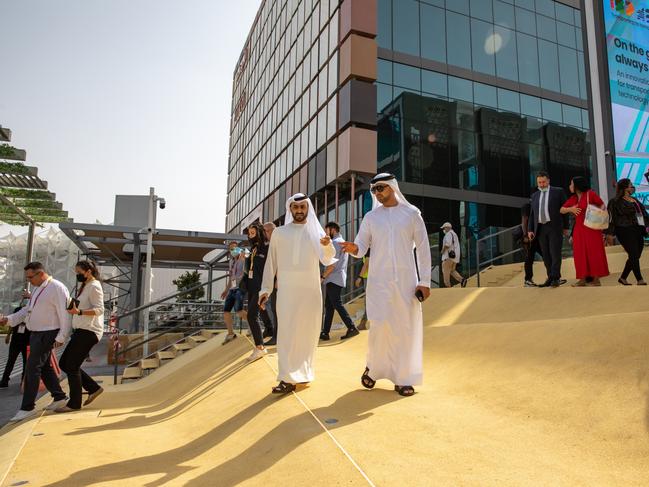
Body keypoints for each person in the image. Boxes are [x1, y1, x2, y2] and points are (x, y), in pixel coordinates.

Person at [341, 173, 432, 397]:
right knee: (379, 325)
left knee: (403, 328)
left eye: (381, 188)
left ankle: (403, 378)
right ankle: (374, 368)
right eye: (374, 190)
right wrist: (353, 248)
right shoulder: (371, 218)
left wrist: (425, 281)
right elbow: (361, 247)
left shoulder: (411, 214)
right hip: (378, 281)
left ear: (392, 187)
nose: (377, 193)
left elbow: (423, 249)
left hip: (406, 281)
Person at [258, 193, 336, 394]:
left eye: (303, 207)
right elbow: (271, 263)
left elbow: (328, 260)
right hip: (287, 291)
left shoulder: (316, 233)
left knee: (307, 333)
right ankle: (286, 377)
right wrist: (265, 289)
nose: (299, 210)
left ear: (307, 209)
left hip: (310, 290)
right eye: (296, 207)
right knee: (286, 333)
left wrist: (327, 246)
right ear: (290, 209)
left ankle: (304, 373)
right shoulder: (279, 233)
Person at [0, 262, 70, 422]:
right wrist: (8, 319)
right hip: (37, 333)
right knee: (44, 367)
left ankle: (27, 407)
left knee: (32, 368)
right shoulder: (39, 288)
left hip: (48, 332)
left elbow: (65, 313)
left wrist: (61, 336)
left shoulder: (57, 288)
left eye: (31, 277)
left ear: (40, 273)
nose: (29, 281)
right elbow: (27, 310)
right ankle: (59, 397)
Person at [56, 260, 105, 412]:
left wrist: (80, 312)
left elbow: (100, 309)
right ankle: (93, 388)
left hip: (89, 331)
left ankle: (74, 403)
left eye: (79, 273)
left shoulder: (95, 286)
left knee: (71, 365)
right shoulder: (85, 287)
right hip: (81, 330)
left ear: (88, 271)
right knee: (65, 363)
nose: (77, 276)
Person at [560, 177, 610, 286]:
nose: (570, 186)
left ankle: (596, 279)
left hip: (592, 228)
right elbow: (562, 209)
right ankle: (582, 278)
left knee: (594, 253)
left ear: (577, 185)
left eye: (571, 184)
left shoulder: (590, 194)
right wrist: (571, 209)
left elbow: (602, 206)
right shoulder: (573, 198)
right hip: (579, 230)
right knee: (579, 254)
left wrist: (595, 212)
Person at [527, 171, 570, 287]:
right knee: (545, 255)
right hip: (540, 228)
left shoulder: (558, 192)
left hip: (554, 227)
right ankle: (550, 277)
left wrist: (566, 227)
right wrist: (530, 229)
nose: (541, 184)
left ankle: (555, 277)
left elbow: (565, 210)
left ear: (548, 181)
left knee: (555, 253)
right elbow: (532, 214)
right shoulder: (534, 195)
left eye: (543, 182)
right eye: (539, 182)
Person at [320, 222, 360, 341]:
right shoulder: (341, 241)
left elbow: (332, 264)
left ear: (332, 230)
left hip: (334, 277)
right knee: (330, 306)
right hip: (337, 277)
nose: (325, 233)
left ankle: (351, 327)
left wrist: (322, 277)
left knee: (336, 303)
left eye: (326, 230)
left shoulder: (335, 243)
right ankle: (325, 332)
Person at [607, 178, 649, 285]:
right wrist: (609, 233)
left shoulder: (635, 200)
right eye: (630, 185)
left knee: (636, 255)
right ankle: (640, 279)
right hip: (624, 230)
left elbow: (643, 214)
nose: (632, 187)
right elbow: (611, 218)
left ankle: (623, 278)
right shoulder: (615, 202)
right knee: (634, 254)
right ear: (625, 188)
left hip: (638, 229)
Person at [242, 222, 272, 362]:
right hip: (252, 287)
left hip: (261, 287)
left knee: (251, 316)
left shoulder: (266, 248)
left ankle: (260, 347)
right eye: (249, 233)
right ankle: (260, 345)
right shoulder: (252, 249)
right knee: (253, 315)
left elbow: (271, 268)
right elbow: (250, 270)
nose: (250, 235)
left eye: (253, 233)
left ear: (259, 233)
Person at [220, 241, 247, 344]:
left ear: (238, 248)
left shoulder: (243, 258)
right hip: (232, 288)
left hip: (241, 287)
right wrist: (226, 290)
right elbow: (231, 277)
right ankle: (230, 334)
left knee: (239, 311)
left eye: (235, 248)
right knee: (226, 311)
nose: (233, 250)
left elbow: (250, 258)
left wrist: (243, 254)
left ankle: (253, 326)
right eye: (231, 249)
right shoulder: (231, 262)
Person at [0, 300, 30, 388]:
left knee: (26, 362)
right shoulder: (17, 310)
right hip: (15, 340)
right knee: (11, 360)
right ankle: (4, 381)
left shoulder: (32, 311)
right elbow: (12, 323)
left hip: (27, 341)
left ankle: (23, 381)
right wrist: (8, 335)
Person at [516, 203, 543, 287]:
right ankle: (528, 280)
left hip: (538, 236)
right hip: (529, 237)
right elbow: (524, 220)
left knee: (546, 255)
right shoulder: (527, 206)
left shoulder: (539, 206)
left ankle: (552, 276)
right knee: (529, 257)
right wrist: (525, 235)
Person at [262, 221, 278, 346]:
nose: (266, 234)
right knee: (274, 309)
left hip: (279, 283)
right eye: (265, 231)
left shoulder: (278, 243)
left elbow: (281, 264)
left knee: (276, 310)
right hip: (273, 283)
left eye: (268, 231)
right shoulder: (270, 244)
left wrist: (278, 280)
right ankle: (275, 335)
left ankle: (276, 337)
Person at [440, 222, 467, 288]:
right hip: (454, 258)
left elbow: (447, 244)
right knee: (452, 270)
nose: (443, 229)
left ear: (447, 228)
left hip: (448, 257)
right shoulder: (454, 234)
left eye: (444, 228)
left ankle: (448, 287)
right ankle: (462, 280)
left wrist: (442, 251)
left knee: (445, 271)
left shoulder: (448, 234)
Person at [354, 249, 370, 330]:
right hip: (370, 277)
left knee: (368, 302)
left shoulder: (368, 248)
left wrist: (359, 277)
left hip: (370, 278)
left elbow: (366, 264)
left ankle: (363, 323)